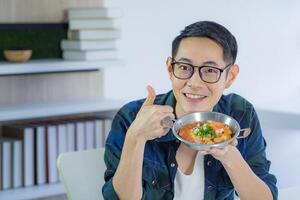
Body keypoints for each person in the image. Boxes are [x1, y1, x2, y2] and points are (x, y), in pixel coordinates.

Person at [102, 21, 278, 200]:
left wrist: (230, 157)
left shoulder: (239, 114)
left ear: (230, 76)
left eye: (210, 70)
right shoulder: (132, 117)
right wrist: (136, 138)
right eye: (184, 67)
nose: (194, 83)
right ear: (170, 69)